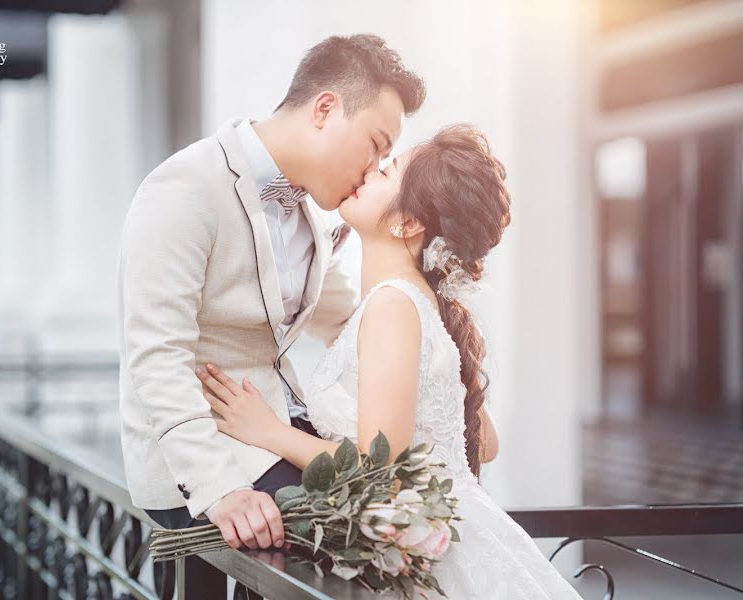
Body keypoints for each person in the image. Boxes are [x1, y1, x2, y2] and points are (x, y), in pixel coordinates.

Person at [197, 125, 584, 599]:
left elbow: (384, 475)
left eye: (386, 170)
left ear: (408, 222)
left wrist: (270, 432)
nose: (368, 170)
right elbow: (484, 444)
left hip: (435, 556)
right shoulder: (422, 305)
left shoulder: (393, 307)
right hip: (459, 537)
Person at [117, 34, 426, 599]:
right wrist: (220, 490)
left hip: (276, 440)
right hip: (205, 462)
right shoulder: (183, 187)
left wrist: (440, 349)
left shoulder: (309, 209)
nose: (374, 169)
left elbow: (352, 319)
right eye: (375, 147)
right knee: (368, 543)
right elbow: (156, 357)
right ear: (326, 109)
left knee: (388, 529)